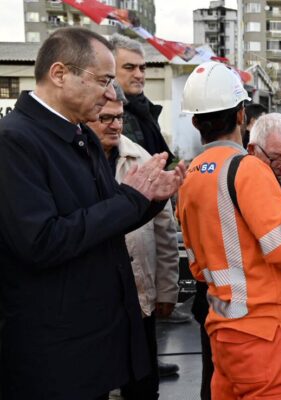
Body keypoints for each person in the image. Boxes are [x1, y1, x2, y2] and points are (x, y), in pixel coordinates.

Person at [0, 27, 185, 399]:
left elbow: (105, 219)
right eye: (103, 80)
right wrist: (131, 198)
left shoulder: (78, 136)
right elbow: (41, 241)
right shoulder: (15, 140)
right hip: (53, 352)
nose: (110, 93)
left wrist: (151, 199)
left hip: (93, 340)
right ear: (59, 74)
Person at [176, 61, 281, 399]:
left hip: (222, 330)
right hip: (265, 333)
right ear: (242, 115)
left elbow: (195, 264)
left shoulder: (191, 175)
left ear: (195, 121)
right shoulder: (248, 169)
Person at [86, 81, 180, 399]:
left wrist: (168, 288)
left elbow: (165, 231)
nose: (115, 125)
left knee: (142, 384)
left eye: (119, 117)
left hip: (140, 297)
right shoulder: (75, 162)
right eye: (106, 118)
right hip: (94, 301)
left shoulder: (141, 159)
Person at [110, 34, 173, 161]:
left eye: (142, 68)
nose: (139, 75)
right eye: (129, 67)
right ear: (110, 68)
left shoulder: (146, 109)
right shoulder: (101, 112)